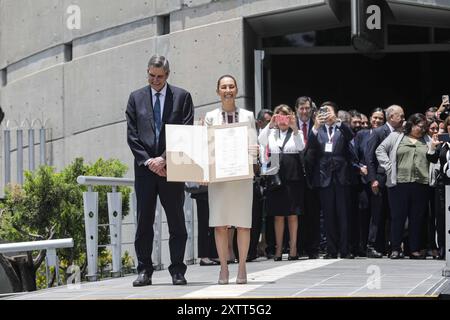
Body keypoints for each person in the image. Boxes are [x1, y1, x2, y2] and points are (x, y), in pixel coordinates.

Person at [126, 55, 194, 287]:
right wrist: (150, 162)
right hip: (145, 171)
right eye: (151, 76)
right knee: (144, 222)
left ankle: (177, 270)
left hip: (172, 168)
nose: (155, 80)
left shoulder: (182, 97)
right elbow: (132, 136)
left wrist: (163, 159)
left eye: (160, 77)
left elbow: (185, 131)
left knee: (176, 221)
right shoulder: (135, 98)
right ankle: (144, 270)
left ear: (168, 75)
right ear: (147, 72)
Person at [204, 74, 257, 284]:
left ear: (236, 90)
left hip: (242, 177)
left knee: (243, 224)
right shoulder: (210, 117)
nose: (228, 90)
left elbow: (253, 144)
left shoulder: (248, 115)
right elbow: (206, 147)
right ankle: (224, 269)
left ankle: (242, 268)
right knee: (220, 224)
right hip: (219, 178)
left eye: (231, 86)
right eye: (224, 87)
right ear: (218, 91)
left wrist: (255, 153)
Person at [376, 113, 441, 259]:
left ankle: (413, 249)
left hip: (421, 183)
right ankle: (395, 248)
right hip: (399, 182)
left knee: (417, 217)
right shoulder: (396, 137)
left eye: (424, 127)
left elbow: (434, 158)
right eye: (419, 126)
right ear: (411, 124)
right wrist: (388, 167)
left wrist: (432, 156)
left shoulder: (428, 140)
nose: (422, 129)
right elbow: (380, 150)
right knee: (398, 216)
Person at [258, 104, 305, 261]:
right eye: (279, 116)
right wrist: (270, 124)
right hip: (275, 175)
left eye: (285, 116)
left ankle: (293, 248)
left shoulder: (295, 133)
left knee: (292, 214)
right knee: (278, 215)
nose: (282, 120)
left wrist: (295, 128)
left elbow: (301, 147)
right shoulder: (271, 132)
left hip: (292, 175)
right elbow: (261, 140)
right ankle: (278, 249)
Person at [309, 101, 354, 259]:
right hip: (324, 176)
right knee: (328, 215)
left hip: (341, 175)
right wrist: (314, 127)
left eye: (328, 111)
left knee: (343, 214)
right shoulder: (318, 130)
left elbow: (350, 136)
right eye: (323, 111)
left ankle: (345, 249)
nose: (326, 114)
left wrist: (338, 121)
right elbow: (310, 146)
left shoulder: (341, 128)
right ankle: (331, 249)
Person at [365, 105, 405, 257]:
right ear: (391, 117)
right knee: (377, 214)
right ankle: (372, 245)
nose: (402, 118)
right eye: (400, 116)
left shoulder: (402, 132)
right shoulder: (378, 132)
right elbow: (369, 157)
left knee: (393, 213)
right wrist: (372, 179)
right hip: (381, 179)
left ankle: (391, 246)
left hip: (397, 180)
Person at [296, 96, 321, 259]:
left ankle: (313, 248)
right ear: (296, 109)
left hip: (314, 176)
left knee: (313, 213)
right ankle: (297, 247)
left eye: (307, 108)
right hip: (296, 175)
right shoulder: (290, 126)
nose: (304, 111)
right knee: (297, 214)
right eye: (301, 108)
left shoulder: (317, 126)